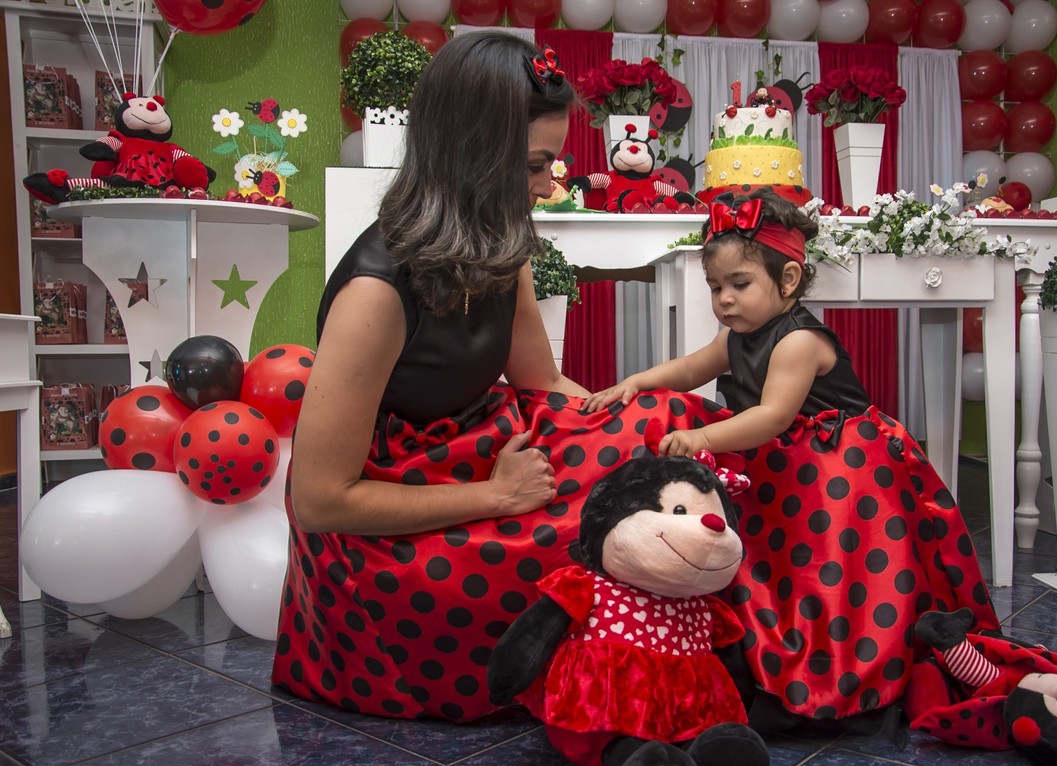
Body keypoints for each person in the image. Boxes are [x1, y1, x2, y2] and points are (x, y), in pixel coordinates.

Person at [271, 31, 720, 722]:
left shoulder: (499, 244)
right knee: (608, 529)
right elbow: (321, 502)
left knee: (676, 436)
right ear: (473, 153)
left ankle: (717, 654)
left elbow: (544, 385)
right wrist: (496, 495)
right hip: (394, 527)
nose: (549, 184)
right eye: (537, 165)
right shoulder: (376, 292)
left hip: (481, 456)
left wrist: (633, 419)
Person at [584, 187, 1000, 727]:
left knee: (827, 568)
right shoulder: (737, 335)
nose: (724, 300)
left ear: (787, 281)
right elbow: (689, 369)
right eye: (715, 287)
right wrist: (636, 382)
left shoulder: (799, 340)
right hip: (790, 462)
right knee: (771, 553)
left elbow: (773, 416)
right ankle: (760, 651)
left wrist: (701, 439)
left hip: (843, 464)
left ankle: (840, 667)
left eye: (739, 285)